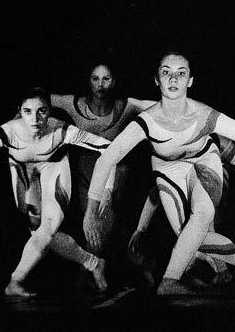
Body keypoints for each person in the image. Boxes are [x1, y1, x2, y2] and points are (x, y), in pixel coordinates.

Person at [85, 51, 235, 294]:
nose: (173, 79)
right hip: (167, 168)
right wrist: (91, 211)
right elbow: (106, 160)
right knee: (188, 238)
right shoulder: (146, 121)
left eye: (181, 73)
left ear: (190, 81)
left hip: (205, 162)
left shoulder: (205, 117)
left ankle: (169, 281)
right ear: (157, 80)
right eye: (166, 72)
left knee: (202, 215)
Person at [0, 87, 115, 297]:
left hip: (54, 165)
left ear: (49, 111)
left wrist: (107, 189)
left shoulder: (62, 131)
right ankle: (94, 263)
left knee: (47, 229)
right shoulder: (8, 132)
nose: (35, 119)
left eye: (42, 111)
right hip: (23, 169)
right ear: (19, 111)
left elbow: (110, 149)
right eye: (28, 111)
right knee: (40, 233)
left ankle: (15, 281)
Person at [127, 133, 235, 288]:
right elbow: (157, 190)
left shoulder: (217, 141)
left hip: (211, 178)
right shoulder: (166, 143)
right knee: (189, 235)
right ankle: (227, 269)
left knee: (193, 233)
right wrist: (141, 228)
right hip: (188, 180)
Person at [50, 63, 156, 288]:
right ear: (89, 81)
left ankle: (87, 275)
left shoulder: (126, 106)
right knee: (94, 225)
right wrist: (20, 113)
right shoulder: (74, 104)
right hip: (85, 172)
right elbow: (43, 99)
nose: (100, 84)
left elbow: (158, 106)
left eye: (106, 79)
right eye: (95, 79)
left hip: (115, 171)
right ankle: (141, 265)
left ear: (113, 82)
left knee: (102, 221)